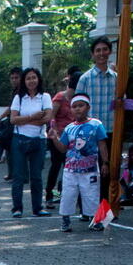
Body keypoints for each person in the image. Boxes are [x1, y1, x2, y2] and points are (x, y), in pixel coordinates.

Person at [47, 92, 109, 233]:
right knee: (68, 195)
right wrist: (55, 138)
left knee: (91, 194)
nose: (77, 109)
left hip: (90, 169)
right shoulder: (69, 128)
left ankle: (95, 219)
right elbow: (63, 148)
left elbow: (102, 144)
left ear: (87, 107)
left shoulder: (96, 124)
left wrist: (105, 162)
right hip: (71, 170)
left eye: (81, 106)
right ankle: (65, 220)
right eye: (74, 106)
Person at [76, 36, 117, 201]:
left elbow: (125, 102)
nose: (101, 53)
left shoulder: (116, 77)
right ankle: (87, 207)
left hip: (111, 130)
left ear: (110, 52)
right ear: (93, 54)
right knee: (88, 170)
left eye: (104, 50)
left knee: (109, 170)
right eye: (98, 50)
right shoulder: (85, 79)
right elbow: (77, 106)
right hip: (90, 133)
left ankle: (105, 206)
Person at [9, 67, 53, 217]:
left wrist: (25, 120)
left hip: (39, 140)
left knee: (36, 176)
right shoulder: (19, 98)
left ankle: (38, 207)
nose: (31, 81)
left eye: (34, 77)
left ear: (38, 79)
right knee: (18, 176)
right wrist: (33, 117)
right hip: (19, 140)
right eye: (28, 78)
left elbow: (47, 119)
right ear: (24, 81)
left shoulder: (45, 97)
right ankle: (17, 208)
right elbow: (13, 120)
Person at [45, 70, 81, 208]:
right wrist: (55, 132)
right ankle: (49, 194)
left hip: (73, 137)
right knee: (56, 165)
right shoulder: (60, 97)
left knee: (72, 167)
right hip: (57, 136)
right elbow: (51, 116)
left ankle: (68, 195)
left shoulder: (79, 99)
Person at [0, 67, 22, 180]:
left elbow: (11, 108)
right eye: (12, 78)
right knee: (9, 148)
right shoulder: (15, 91)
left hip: (16, 123)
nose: (14, 80)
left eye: (16, 77)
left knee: (13, 150)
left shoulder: (21, 92)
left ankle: (17, 174)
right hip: (10, 123)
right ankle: (12, 173)